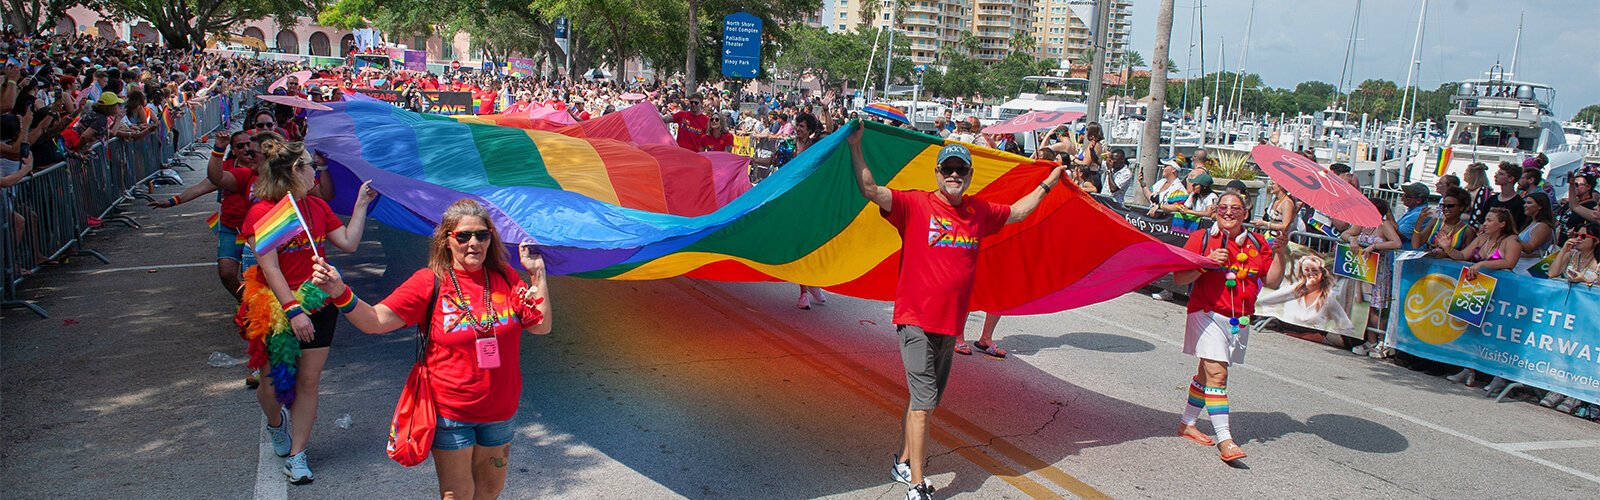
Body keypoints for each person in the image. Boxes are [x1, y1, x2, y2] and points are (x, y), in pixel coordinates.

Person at [848, 124, 1067, 500]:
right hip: (915, 319)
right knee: (924, 404)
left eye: (960, 170)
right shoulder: (914, 204)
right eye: (947, 169)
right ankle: (917, 484)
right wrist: (855, 146)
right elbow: (870, 189)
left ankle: (902, 461)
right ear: (937, 173)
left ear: (969, 176)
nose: (953, 175)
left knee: (924, 400)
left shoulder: (979, 211)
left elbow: (1018, 212)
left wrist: (1051, 180)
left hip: (950, 325)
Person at [308, 199, 551, 499]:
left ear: (491, 237)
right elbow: (375, 321)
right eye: (463, 236)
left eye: (482, 235)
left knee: (490, 490)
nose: (473, 243)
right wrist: (340, 292)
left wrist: (537, 275)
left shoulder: (504, 276)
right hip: (451, 412)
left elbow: (541, 325)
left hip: (500, 410)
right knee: (457, 494)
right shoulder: (430, 282)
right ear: (447, 240)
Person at [239, 136, 377, 485]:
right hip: (277, 306)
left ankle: (298, 455)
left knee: (309, 381)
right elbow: (270, 267)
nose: (316, 171)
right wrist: (293, 311)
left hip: (319, 301)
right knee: (271, 385)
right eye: (310, 166)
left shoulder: (315, 207)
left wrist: (360, 205)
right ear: (294, 171)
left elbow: (348, 242)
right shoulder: (264, 212)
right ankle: (276, 425)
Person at [1171, 192, 1289, 463]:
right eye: (1223, 207)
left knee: (1206, 374)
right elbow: (1180, 278)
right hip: (1206, 314)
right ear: (1215, 212)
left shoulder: (1259, 243)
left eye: (1235, 208)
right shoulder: (1200, 239)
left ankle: (1187, 424)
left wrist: (1281, 253)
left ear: (1245, 213)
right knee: (1218, 376)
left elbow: (1272, 281)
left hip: (1238, 321)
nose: (1228, 212)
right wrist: (1206, 264)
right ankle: (1226, 440)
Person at [1440, 208, 1521, 389]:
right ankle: (1470, 368)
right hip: (1478, 287)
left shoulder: (1511, 240)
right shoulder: (1481, 238)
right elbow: (1462, 256)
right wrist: (1448, 248)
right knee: (1473, 329)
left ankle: (1499, 375)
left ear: (1502, 224)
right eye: (1485, 219)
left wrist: (1483, 263)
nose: (1485, 223)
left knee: (1496, 332)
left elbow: (1509, 262)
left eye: (1490, 220)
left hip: (1502, 291)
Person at [1340, 198, 1403, 358]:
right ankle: (1370, 340)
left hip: (1379, 271)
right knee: (1365, 305)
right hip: (1363, 271)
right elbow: (1345, 233)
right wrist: (1352, 239)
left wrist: (1375, 246)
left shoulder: (1383, 225)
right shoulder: (1362, 224)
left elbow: (1396, 243)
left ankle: (1381, 341)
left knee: (1377, 306)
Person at [790, 113, 829, 309]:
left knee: (812, 247)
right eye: (797, 125)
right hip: (792, 202)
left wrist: (826, 110)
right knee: (800, 246)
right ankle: (803, 292)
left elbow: (833, 135)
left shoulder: (815, 146)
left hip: (812, 202)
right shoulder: (788, 146)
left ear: (809, 130)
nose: (798, 129)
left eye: (802, 126)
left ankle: (812, 283)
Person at [1416, 187, 1476, 254]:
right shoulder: (1435, 222)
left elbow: (1467, 256)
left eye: (1450, 206)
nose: (1446, 209)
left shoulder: (1468, 231)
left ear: (1461, 207)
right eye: (1443, 206)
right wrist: (1419, 222)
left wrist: (1446, 254)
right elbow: (1416, 244)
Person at [1474, 162, 1526, 229]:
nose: (1496, 176)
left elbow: (1517, 226)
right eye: (1497, 173)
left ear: (1511, 179)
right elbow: (1482, 221)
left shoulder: (1519, 203)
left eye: (1501, 174)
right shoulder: (1492, 199)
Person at [1516, 192, 1556, 272]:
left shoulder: (1543, 226)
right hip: (1519, 267)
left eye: (1529, 203)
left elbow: (1529, 249)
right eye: (1525, 203)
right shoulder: (1531, 223)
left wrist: (1513, 238)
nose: (1524, 205)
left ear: (1540, 206)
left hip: (1530, 270)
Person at [1395, 182, 1432, 250]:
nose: (1402, 198)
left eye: (1406, 196)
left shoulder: (1419, 214)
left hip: (1408, 253)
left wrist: (1388, 214)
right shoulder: (1412, 210)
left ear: (1418, 200)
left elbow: (1398, 235)